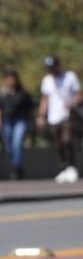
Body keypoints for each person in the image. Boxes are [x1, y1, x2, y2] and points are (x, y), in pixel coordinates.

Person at [38, 55, 81, 184]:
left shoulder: (70, 77)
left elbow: (79, 94)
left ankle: (72, 167)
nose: (51, 70)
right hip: (53, 116)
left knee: (67, 140)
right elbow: (45, 99)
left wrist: (73, 103)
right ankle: (64, 168)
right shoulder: (47, 80)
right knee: (58, 144)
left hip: (67, 114)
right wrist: (41, 116)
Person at [0, 68, 35, 180]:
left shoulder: (23, 93)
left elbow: (30, 109)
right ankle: (16, 166)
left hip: (20, 121)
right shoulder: (3, 93)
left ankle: (16, 168)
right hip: (7, 121)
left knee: (17, 143)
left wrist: (33, 122)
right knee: (9, 146)